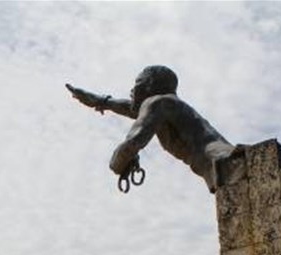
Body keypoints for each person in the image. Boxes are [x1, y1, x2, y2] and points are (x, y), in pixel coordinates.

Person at [66, 65, 237, 193]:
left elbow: (133, 142)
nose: (132, 90)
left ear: (150, 86)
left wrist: (117, 164)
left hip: (225, 165)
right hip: (226, 162)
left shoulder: (156, 102)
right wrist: (102, 101)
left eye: (138, 83)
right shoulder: (168, 104)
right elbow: (131, 108)